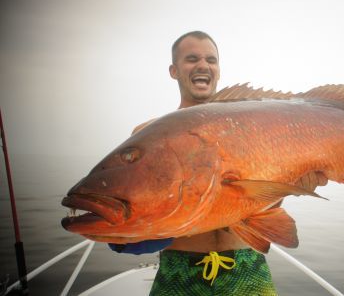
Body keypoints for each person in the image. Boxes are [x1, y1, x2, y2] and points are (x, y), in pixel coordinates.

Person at [109, 31, 279, 296]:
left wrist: (295, 184)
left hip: (247, 266)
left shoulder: (253, 129)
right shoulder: (147, 135)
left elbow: (270, 204)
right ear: (173, 70)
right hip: (178, 272)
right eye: (192, 59)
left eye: (211, 60)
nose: (203, 65)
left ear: (219, 71)